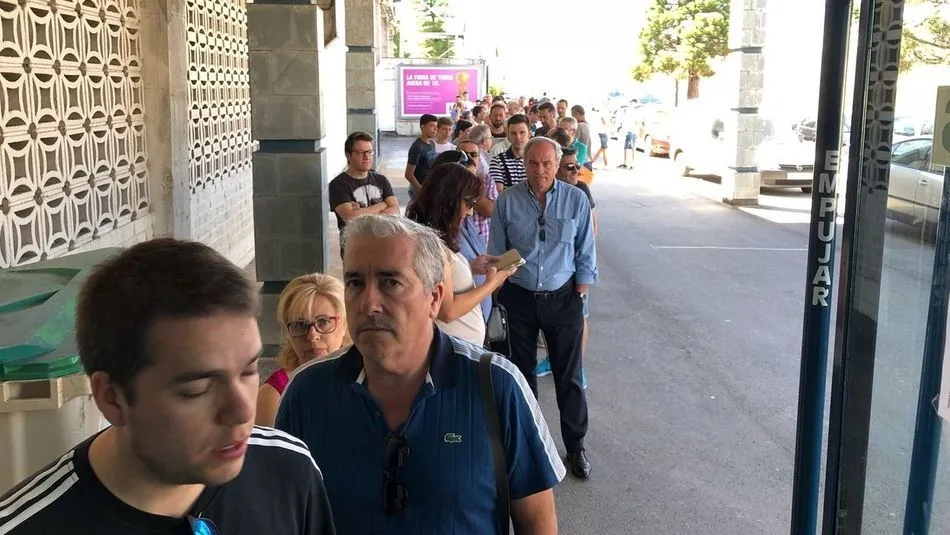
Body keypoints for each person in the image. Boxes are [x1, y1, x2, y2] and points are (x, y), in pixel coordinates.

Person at [0, 239, 335, 534]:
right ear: (112, 397)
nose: (242, 412)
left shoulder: (288, 472)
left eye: (248, 371)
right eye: (198, 389)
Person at [276, 215, 564, 534]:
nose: (369, 303)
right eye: (355, 282)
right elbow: (283, 516)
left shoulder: (496, 386)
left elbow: (537, 523)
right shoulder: (307, 392)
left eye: (390, 282)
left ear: (435, 298)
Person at [488, 136, 597, 480]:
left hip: (563, 298)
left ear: (557, 164)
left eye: (547, 164)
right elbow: (497, 252)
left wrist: (579, 293)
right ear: (525, 164)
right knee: (522, 377)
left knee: (569, 376)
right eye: (533, 164)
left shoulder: (576, 199)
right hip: (518, 299)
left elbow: (585, 250)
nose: (540, 171)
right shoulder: (506, 201)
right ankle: (530, 443)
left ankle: (575, 445)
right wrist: (498, 291)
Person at [406, 163, 516, 344]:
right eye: (468, 204)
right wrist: (491, 283)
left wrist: (471, 267)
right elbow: (448, 311)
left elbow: (442, 277)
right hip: (451, 351)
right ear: (448, 199)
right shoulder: (430, 242)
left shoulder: (430, 235)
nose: (470, 212)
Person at [255, 273, 349, 427]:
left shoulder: (368, 378)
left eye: (323, 322)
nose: (312, 337)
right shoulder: (273, 397)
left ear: (344, 325)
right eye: (300, 325)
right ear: (287, 331)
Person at [330, 131, 400, 257]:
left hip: (384, 246)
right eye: (360, 153)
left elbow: (395, 210)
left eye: (369, 152)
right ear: (348, 155)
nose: (367, 157)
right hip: (354, 250)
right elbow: (350, 218)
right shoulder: (338, 184)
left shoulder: (381, 180)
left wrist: (361, 212)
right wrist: (382, 205)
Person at [405, 114, 438, 195]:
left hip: (429, 186)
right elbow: (408, 174)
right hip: (419, 189)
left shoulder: (431, 143)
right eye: (431, 126)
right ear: (423, 127)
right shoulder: (417, 147)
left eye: (436, 126)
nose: (435, 129)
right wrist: (420, 189)